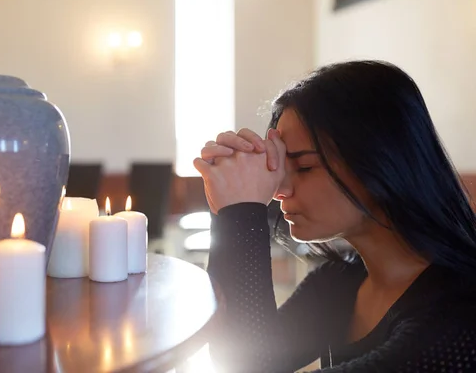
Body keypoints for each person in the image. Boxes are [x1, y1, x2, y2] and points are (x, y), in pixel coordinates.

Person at [193, 60, 476, 372]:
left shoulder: (459, 317)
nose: (279, 190)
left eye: (304, 167)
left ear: (380, 162)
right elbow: (238, 360)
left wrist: (242, 215)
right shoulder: (339, 282)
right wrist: (227, 210)